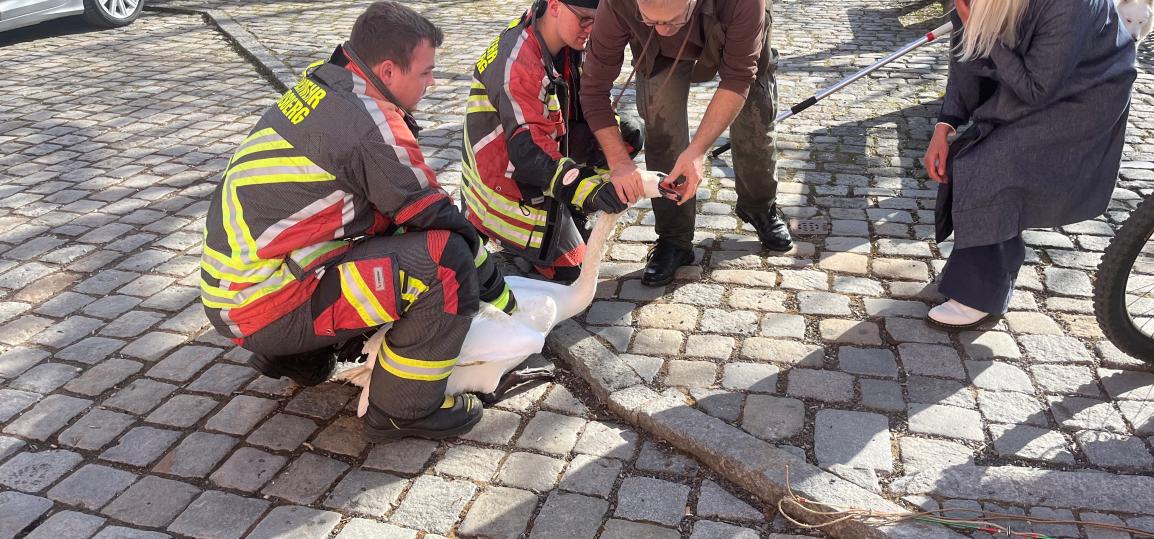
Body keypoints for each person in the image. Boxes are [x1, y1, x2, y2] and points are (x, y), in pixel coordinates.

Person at [200, 1, 516, 441]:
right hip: (264, 304)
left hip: (237, 290)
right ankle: (403, 408)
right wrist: (496, 288)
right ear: (387, 71)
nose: (433, 82)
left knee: (387, 228)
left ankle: (299, 355)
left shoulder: (326, 81)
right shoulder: (370, 123)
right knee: (447, 261)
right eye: (425, 72)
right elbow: (433, 214)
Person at [923, 0, 1136, 329]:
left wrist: (984, 34)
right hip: (1036, 75)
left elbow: (1036, 89)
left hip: (1088, 90)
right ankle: (978, 276)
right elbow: (965, 59)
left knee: (996, 163)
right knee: (980, 156)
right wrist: (945, 126)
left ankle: (980, 295)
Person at [579, 0, 791, 287]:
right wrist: (619, 162)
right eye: (652, 20)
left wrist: (697, 150)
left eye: (672, 21)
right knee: (661, 126)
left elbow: (738, 77)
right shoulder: (617, 4)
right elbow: (593, 88)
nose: (665, 30)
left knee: (756, 118)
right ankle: (674, 239)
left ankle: (759, 205)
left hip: (732, 25)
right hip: (657, 54)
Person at [461, 0, 644, 282]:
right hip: (505, 183)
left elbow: (590, 105)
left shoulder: (567, 41)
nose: (592, 30)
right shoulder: (518, 62)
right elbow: (529, 151)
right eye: (585, 19)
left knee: (627, 136)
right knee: (572, 270)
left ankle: (570, 210)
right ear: (555, 5)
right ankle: (512, 240)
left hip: (541, 155)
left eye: (600, 20)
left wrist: (614, 153)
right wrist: (587, 189)